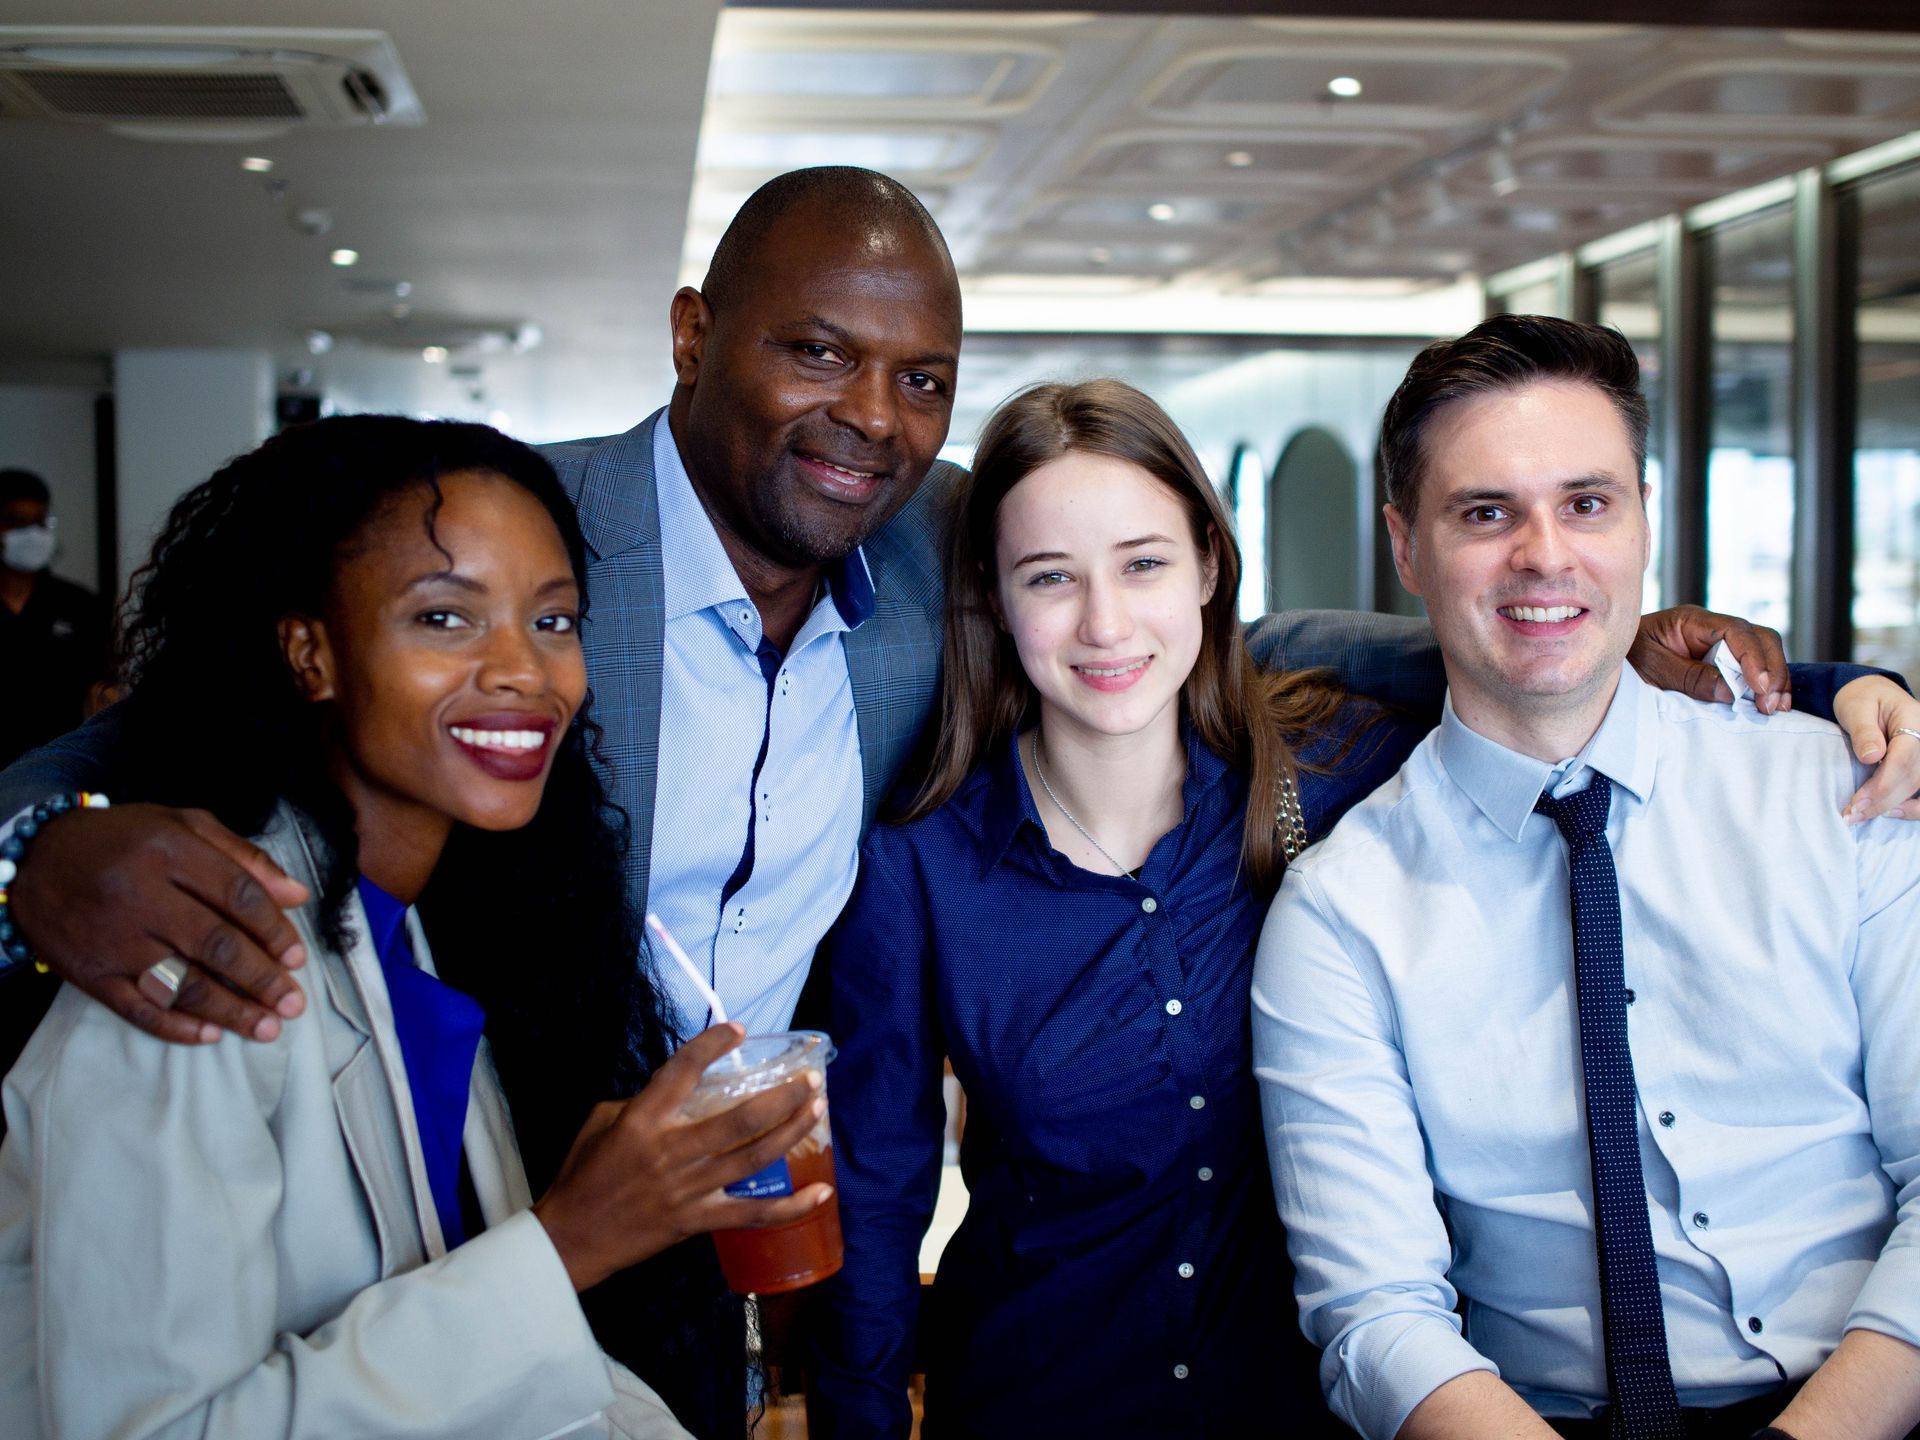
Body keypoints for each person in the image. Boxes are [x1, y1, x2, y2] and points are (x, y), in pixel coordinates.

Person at [0, 168, 1909, 1429]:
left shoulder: (933, 571)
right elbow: (191, 708)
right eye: (814, 349)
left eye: (921, 376)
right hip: (520, 1159)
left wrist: (1778, 677)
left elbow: (1387, 626)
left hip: (625, 1219)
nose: (869, 414)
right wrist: (31, 845)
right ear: (692, 333)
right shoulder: (535, 537)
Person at [801, 378, 1910, 1439]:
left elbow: (1543, 656)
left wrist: (1832, 692)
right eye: (1048, 577)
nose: (1104, 622)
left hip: (1306, 1415)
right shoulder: (921, 868)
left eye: (1142, 563)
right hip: (1045, 1402)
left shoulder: (1331, 765)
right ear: (994, 595)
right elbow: (876, 1199)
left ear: (1205, 567)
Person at [0, 417, 832, 1440]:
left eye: (555, 621)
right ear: (311, 653)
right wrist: (572, 1237)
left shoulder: (415, 944)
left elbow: (476, 1369)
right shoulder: (194, 969)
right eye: (445, 619)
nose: (524, 671)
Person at [1253, 316, 1920, 1440]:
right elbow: (1376, 1315)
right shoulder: (1341, 911)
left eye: (1588, 502)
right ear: (1405, 548)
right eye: (1485, 512)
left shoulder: (1844, 800)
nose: (1545, 555)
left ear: (1645, 520)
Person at [0, 467, 108, 770]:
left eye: (40, 522)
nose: (32, 535)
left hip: (57, 764)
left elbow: (102, 684)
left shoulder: (77, 603)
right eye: (17, 522)